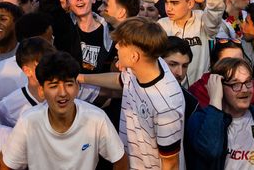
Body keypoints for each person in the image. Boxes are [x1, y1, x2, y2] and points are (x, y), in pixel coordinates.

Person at [78, 17, 184, 170]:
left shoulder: (166, 105)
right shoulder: (147, 64)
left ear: (134, 57)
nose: (116, 47)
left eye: (120, 44)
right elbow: (121, 81)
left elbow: (171, 163)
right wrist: (81, 78)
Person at [0, 51, 127, 170]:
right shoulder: (28, 122)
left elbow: (120, 160)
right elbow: (7, 164)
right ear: (41, 91)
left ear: (77, 88)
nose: (63, 93)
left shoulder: (96, 118)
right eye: (54, 86)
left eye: (69, 84)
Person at [158, 0, 225, 84]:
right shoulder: (160, 26)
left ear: (190, 3)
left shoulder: (203, 21)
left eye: (175, 3)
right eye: (166, 2)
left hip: (199, 93)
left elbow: (217, 2)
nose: (168, 8)